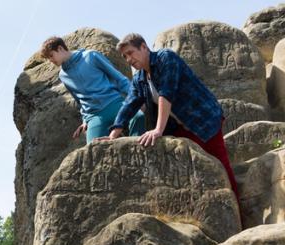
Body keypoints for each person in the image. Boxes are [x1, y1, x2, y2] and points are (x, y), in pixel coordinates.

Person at [98, 33, 240, 202]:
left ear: (143, 47)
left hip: (203, 119)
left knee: (220, 165)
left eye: (130, 52)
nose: (128, 59)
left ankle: (239, 208)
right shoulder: (139, 78)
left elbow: (166, 93)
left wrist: (158, 130)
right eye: (125, 56)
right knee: (190, 171)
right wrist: (113, 135)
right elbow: (129, 104)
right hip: (180, 126)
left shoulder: (166, 58)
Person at [40, 36, 145, 143]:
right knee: (92, 148)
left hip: (114, 103)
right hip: (94, 115)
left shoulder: (91, 56)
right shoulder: (63, 75)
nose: (50, 61)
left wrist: (135, 97)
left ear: (60, 48)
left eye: (51, 56)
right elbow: (78, 99)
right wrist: (85, 120)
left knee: (138, 116)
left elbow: (119, 78)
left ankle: (137, 149)